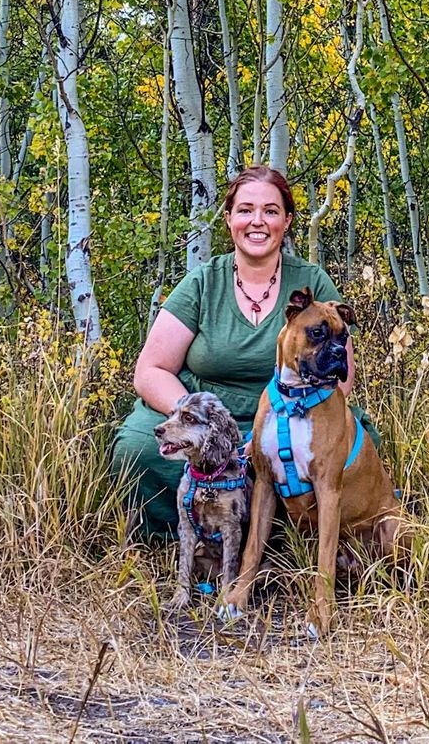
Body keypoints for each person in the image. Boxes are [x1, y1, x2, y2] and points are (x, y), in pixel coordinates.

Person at [111, 165, 349, 538]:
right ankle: (185, 538)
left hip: (290, 416)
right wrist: (199, 422)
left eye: (270, 211)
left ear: (286, 221)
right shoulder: (203, 282)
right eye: (245, 210)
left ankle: (286, 544)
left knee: (351, 449)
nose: (258, 221)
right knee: (139, 447)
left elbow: (340, 373)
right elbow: (151, 370)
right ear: (228, 218)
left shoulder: (312, 283)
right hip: (206, 415)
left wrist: (280, 430)